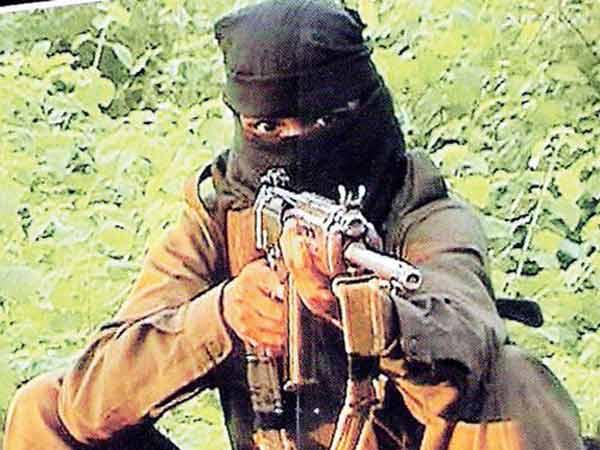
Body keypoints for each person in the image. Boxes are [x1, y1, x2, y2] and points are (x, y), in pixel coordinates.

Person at [3, 1, 585, 449]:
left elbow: (467, 337)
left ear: (367, 107)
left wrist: (364, 313)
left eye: (326, 120)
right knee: (43, 409)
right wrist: (223, 317)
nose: (298, 143)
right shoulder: (220, 218)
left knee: (516, 383)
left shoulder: (419, 209)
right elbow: (89, 395)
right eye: (269, 128)